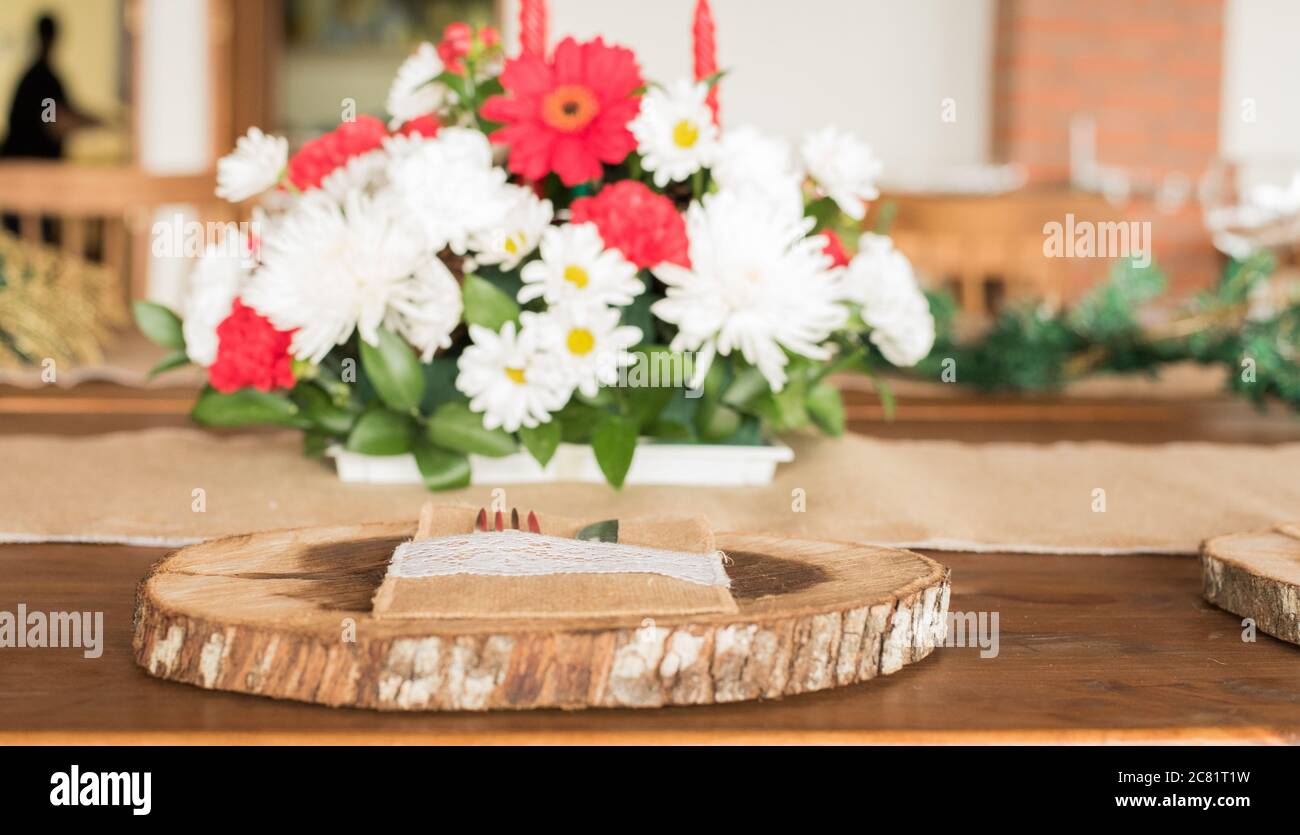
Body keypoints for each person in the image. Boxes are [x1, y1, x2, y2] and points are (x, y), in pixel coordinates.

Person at [1, 13, 102, 160]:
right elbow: (53, 122)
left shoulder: (37, 77)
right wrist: (96, 123)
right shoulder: (42, 79)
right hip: (29, 163)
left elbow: (55, 116)